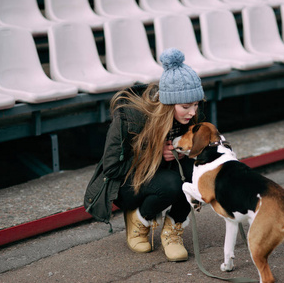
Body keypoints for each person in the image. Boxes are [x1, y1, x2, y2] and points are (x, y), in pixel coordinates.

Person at [84, 48, 205, 262]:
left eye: (196, 105)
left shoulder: (190, 114)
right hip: (125, 184)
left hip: (162, 173)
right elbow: (111, 167)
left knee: (197, 175)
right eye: (186, 106)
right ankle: (139, 219)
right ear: (168, 104)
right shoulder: (131, 117)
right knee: (171, 183)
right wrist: (157, 155)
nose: (193, 112)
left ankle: (172, 230)